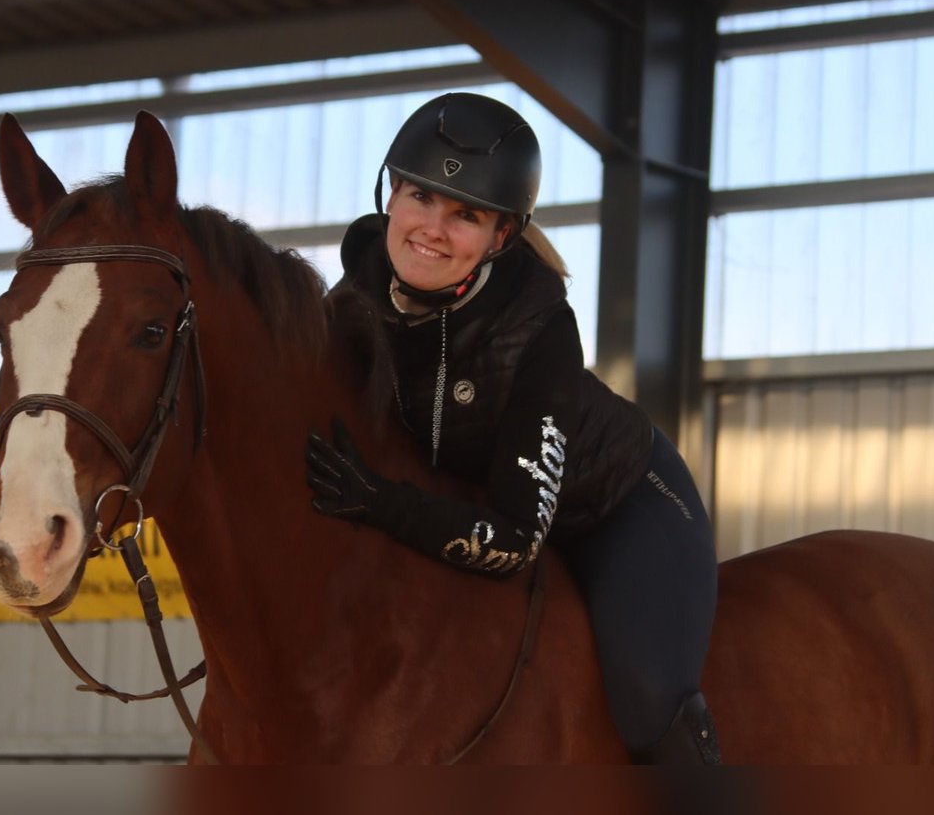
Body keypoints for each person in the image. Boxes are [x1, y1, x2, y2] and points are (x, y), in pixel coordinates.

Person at [304, 91, 721, 764]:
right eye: (420, 199)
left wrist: (381, 503)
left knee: (646, 698)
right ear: (389, 197)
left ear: (502, 235)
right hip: (460, 507)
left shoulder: (540, 330)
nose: (431, 229)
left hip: (617, 507)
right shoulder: (351, 303)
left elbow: (517, 539)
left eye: (464, 215)